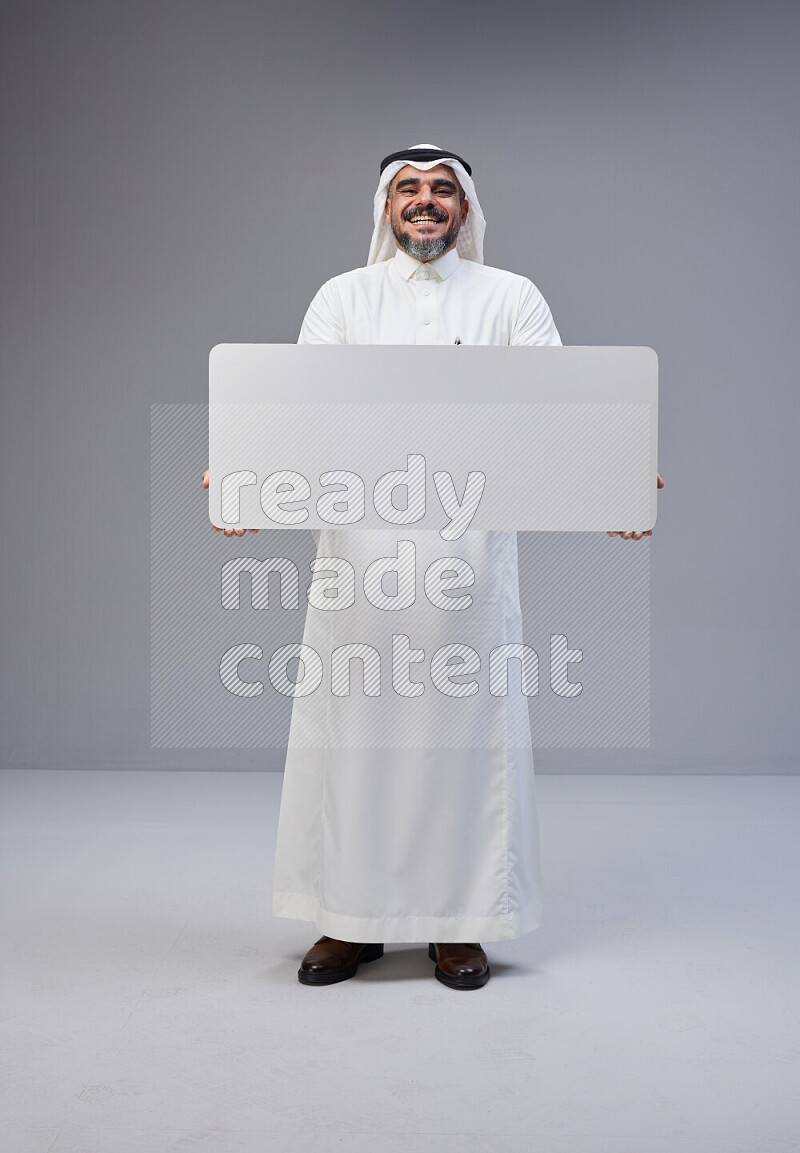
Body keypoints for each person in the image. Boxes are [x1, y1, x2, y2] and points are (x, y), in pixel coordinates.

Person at [203, 144, 663, 990]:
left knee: (462, 741)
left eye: (442, 190)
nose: (425, 202)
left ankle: (461, 925)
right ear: (385, 208)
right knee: (356, 741)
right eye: (408, 190)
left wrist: (618, 480)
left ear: (464, 210)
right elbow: (295, 410)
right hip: (358, 564)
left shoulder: (510, 298)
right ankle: (349, 922)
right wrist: (245, 476)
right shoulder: (342, 298)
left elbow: (561, 409)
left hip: (466, 564)